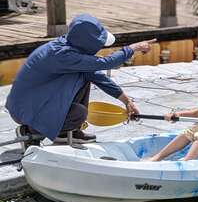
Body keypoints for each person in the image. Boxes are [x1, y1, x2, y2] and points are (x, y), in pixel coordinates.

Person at [6, 14, 155, 150]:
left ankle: (69, 131)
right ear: (88, 44)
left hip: (33, 102)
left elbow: (96, 75)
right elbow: (105, 63)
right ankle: (31, 131)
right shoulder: (62, 55)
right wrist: (133, 48)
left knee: (84, 78)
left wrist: (126, 100)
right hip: (25, 111)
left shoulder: (70, 48)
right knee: (78, 113)